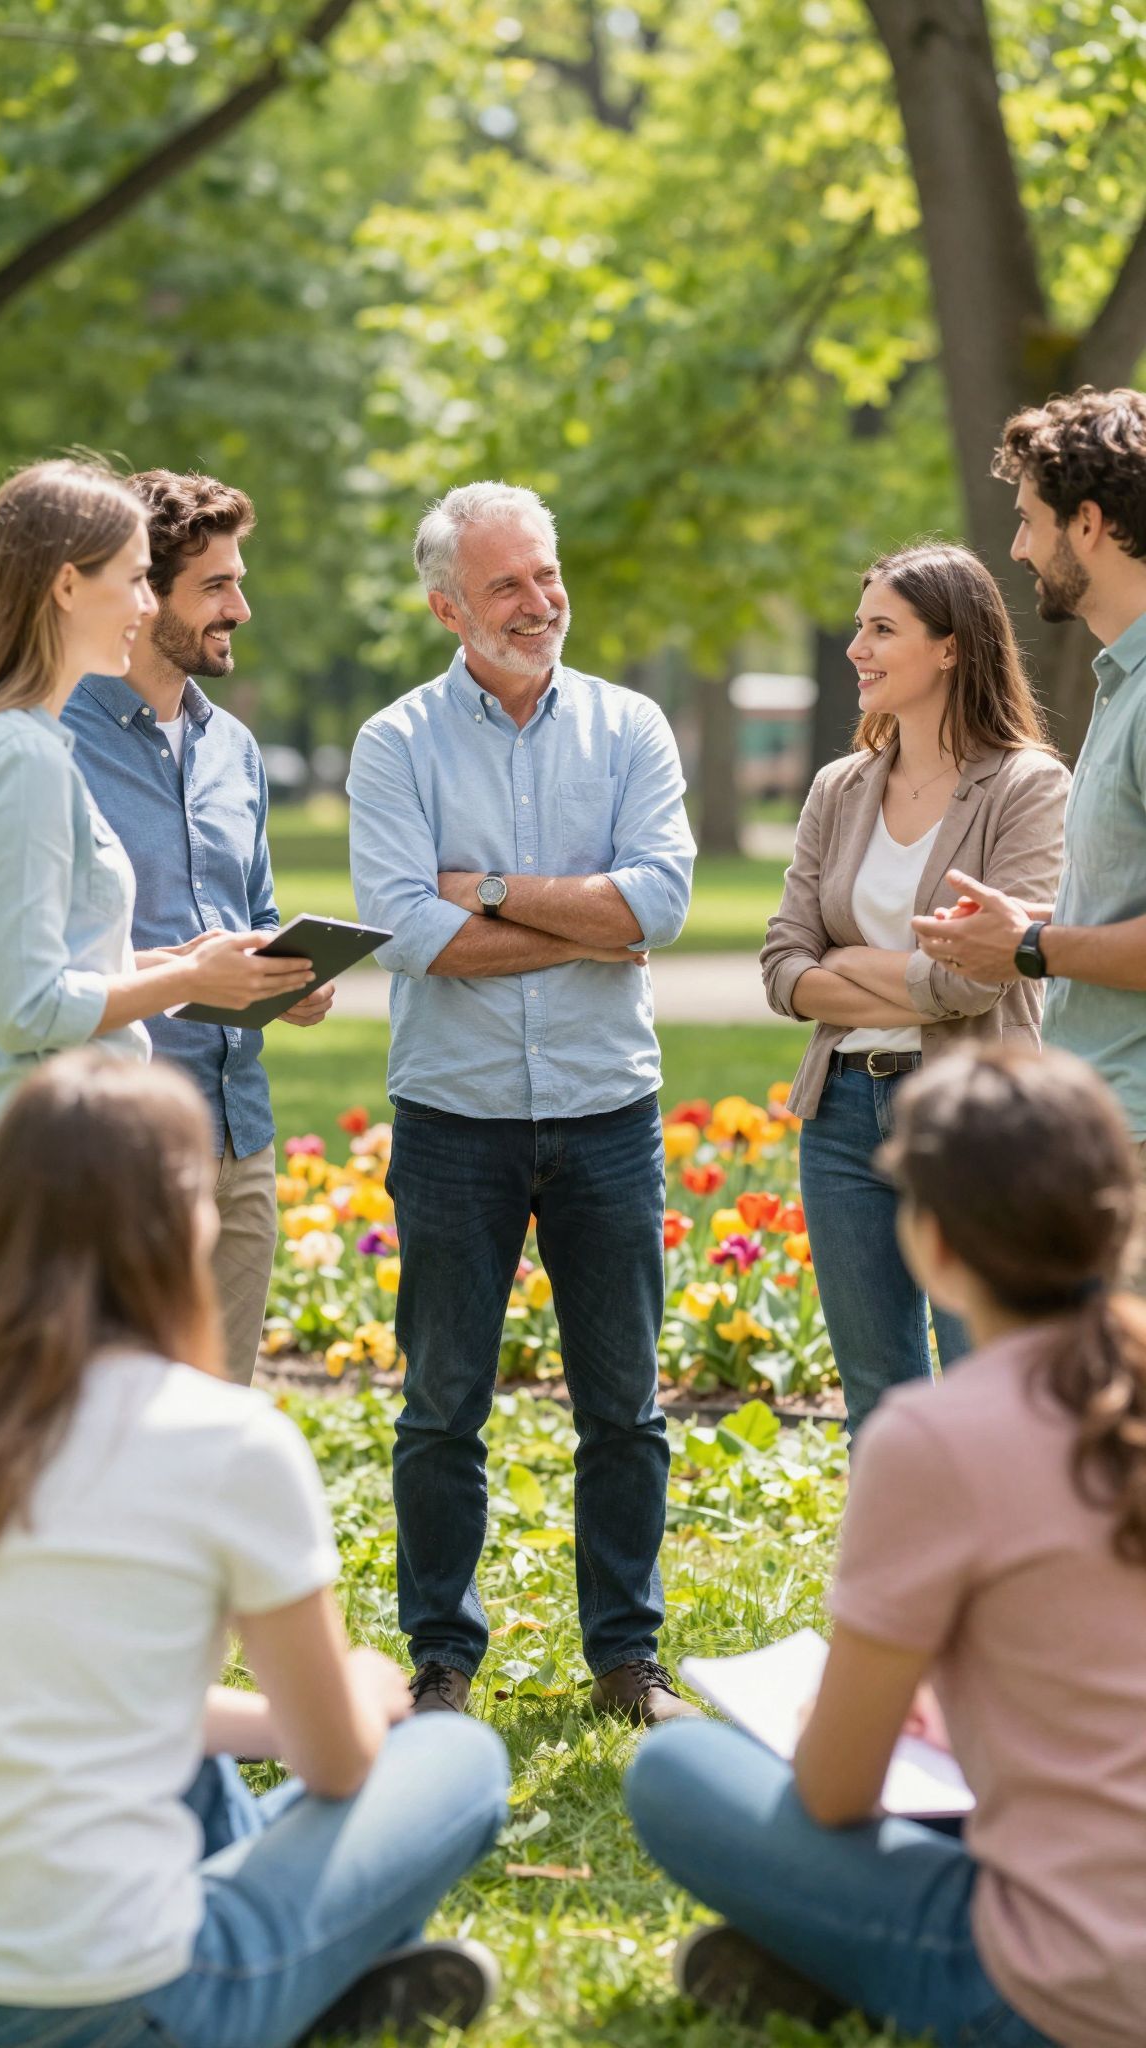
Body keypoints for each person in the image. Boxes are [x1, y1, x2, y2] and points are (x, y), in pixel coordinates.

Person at [627, 1043, 1146, 2048]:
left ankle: (843, 1967)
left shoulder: (936, 1435)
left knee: (678, 1771)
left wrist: (845, 1713)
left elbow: (835, 1790)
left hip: (1063, 1989)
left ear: (934, 1241)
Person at [0, 1051, 508, 2048]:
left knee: (191, 1759)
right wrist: (355, 1692)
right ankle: (309, 1987)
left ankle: (322, 1981)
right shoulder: (222, 1437)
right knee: (458, 1758)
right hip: (140, 1996)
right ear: (186, 1219)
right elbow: (337, 1759)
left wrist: (262, 1722)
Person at [348, 481, 699, 1726]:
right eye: (509, 584)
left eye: (547, 574)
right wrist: (579, 920)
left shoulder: (632, 726)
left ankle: (627, 1654)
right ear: (450, 605)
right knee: (443, 1404)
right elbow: (405, 931)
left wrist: (487, 889)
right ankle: (440, 1657)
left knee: (627, 1402)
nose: (541, 601)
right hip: (455, 1115)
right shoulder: (395, 742)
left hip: (608, 1109)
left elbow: (655, 908)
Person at [760, 542, 1070, 1434]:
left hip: (975, 1120)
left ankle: (1004, 1578)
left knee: (989, 1393)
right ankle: (904, 1579)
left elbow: (984, 977)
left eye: (882, 629)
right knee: (880, 1409)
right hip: (842, 1119)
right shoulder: (838, 788)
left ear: (951, 647)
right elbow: (783, 965)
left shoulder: (1026, 786)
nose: (857, 648)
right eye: (859, 627)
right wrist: (913, 978)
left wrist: (848, 967)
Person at [64, 469, 332, 1385]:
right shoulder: (49, 743)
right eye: (216, 585)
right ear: (147, 596)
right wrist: (186, 977)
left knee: (217, 1414)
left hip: (238, 1137)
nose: (241, 609)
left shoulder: (235, 750)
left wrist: (291, 977)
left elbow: (253, 915)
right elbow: (32, 971)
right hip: (115, 1143)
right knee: (99, 1413)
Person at [0, 459, 316, 1130]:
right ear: (67, 587)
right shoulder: (29, 754)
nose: (145, 606)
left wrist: (194, 961)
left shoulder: (37, 745)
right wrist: (189, 980)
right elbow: (25, 1008)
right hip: (57, 1145)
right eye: (137, 580)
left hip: (122, 1134)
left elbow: (54, 960)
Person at [913, 389, 1146, 1147]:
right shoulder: (1123, 685)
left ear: (1088, 523)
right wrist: (1025, 929)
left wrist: (1028, 947)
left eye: (1028, 520)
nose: (1017, 548)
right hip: (1104, 1124)